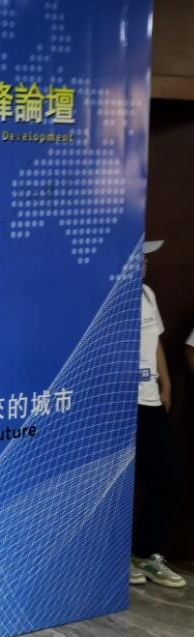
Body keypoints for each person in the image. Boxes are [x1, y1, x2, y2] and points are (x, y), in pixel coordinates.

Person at [130, 240, 186, 588]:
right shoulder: (108, 299)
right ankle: (112, 561)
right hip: (121, 404)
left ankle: (144, 553)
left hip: (151, 402)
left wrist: (165, 384)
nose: (146, 263)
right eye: (140, 257)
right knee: (116, 485)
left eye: (147, 258)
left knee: (169, 480)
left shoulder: (146, 294)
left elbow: (156, 344)